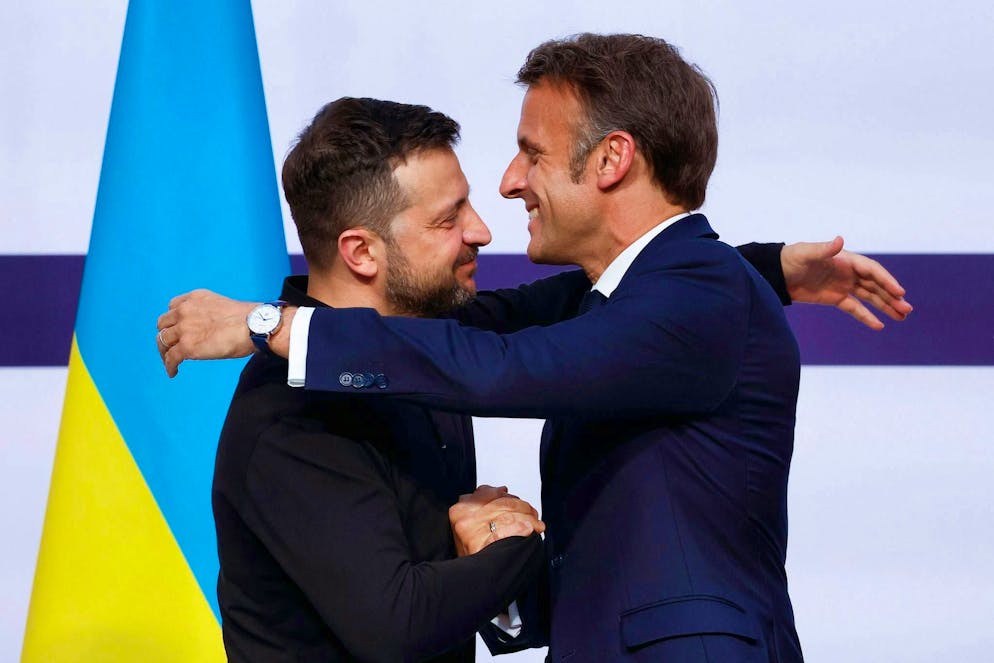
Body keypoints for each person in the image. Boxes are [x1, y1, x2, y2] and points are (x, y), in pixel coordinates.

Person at [158, 36, 913, 663]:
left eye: (531, 153)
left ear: (611, 160)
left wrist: (266, 325)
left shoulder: (694, 294)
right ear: (361, 250)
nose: (507, 189)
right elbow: (504, 329)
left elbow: (504, 364)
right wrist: (770, 265)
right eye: (451, 216)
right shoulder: (653, 295)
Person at [209, 97, 558, 662]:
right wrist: (517, 548)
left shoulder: (427, 346)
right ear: (362, 252)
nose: (482, 231)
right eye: (449, 218)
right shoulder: (290, 416)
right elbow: (399, 624)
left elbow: (565, 303)